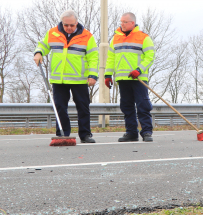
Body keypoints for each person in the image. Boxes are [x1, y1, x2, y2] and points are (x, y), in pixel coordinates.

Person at [33, 10, 98, 143]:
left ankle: (85, 134)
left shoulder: (87, 36)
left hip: (79, 79)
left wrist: (93, 75)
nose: (68, 28)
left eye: (71, 25)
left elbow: (93, 58)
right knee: (60, 107)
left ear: (77, 23)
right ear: (62, 23)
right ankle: (63, 133)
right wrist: (39, 52)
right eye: (66, 25)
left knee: (83, 107)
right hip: (59, 79)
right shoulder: (52, 33)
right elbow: (43, 45)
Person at [105, 12, 156, 142]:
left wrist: (139, 70)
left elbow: (150, 57)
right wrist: (108, 74)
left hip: (138, 78)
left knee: (142, 105)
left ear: (132, 23)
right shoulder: (115, 38)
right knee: (126, 106)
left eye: (124, 22)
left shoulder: (143, 37)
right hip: (122, 79)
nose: (122, 24)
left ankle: (147, 132)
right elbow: (110, 58)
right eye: (121, 22)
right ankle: (131, 132)